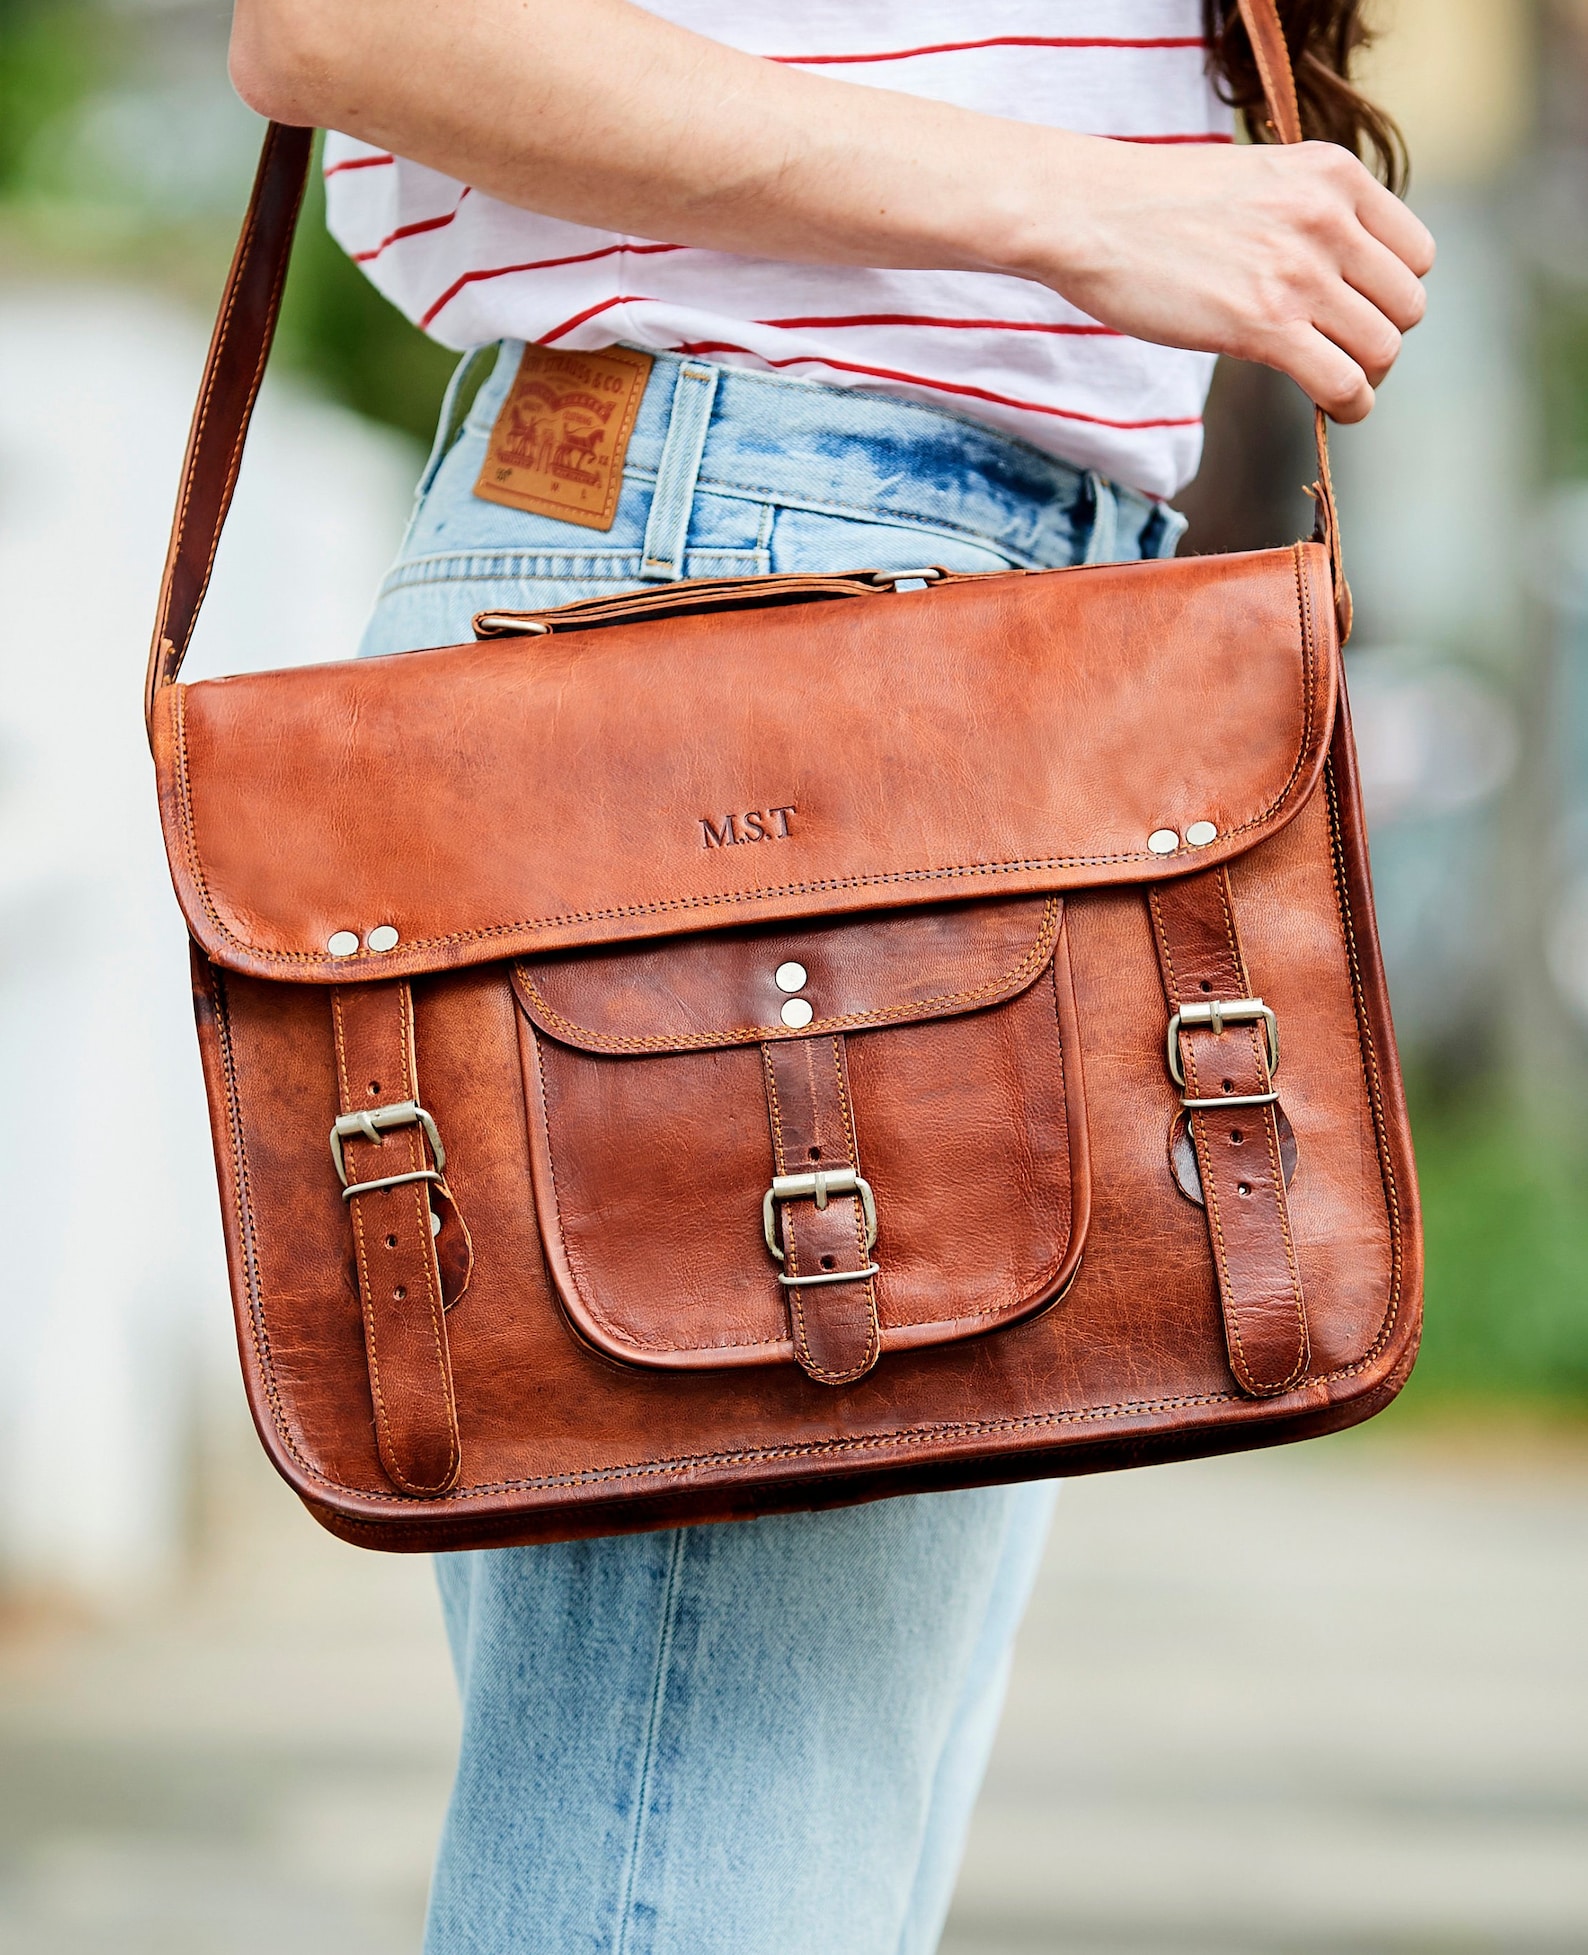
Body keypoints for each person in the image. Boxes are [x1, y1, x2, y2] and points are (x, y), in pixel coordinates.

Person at [228, 5, 1434, 1950]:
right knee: (698, 1877)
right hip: (748, 607)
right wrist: (1088, 206)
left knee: (755, 1860)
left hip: (916, 606)